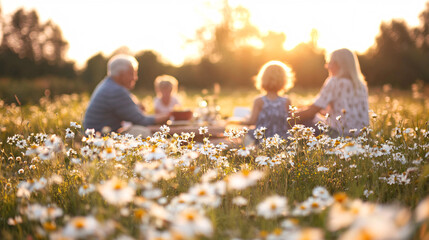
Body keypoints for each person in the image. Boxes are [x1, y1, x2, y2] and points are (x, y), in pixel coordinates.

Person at [83, 54, 169, 137]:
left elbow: (130, 111)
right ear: (121, 74)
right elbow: (141, 120)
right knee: (142, 132)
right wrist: (168, 115)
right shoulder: (116, 90)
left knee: (140, 130)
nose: (135, 78)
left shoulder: (109, 85)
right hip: (100, 137)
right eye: (132, 73)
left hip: (100, 132)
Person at [295, 48, 369, 137]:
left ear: (339, 64)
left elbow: (312, 111)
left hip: (338, 134)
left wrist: (288, 116)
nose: (327, 66)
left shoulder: (335, 81)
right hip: (361, 136)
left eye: (330, 62)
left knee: (303, 121)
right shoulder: (361, 85)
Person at [243, 60, 295, 143]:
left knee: (242, 133)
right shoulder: (286, 101)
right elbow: (290, 122)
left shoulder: (259, 101)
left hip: (263, 141)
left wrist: (238, 121)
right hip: (282, 141)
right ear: (284, 80)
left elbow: (251, 121)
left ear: (262, 79)